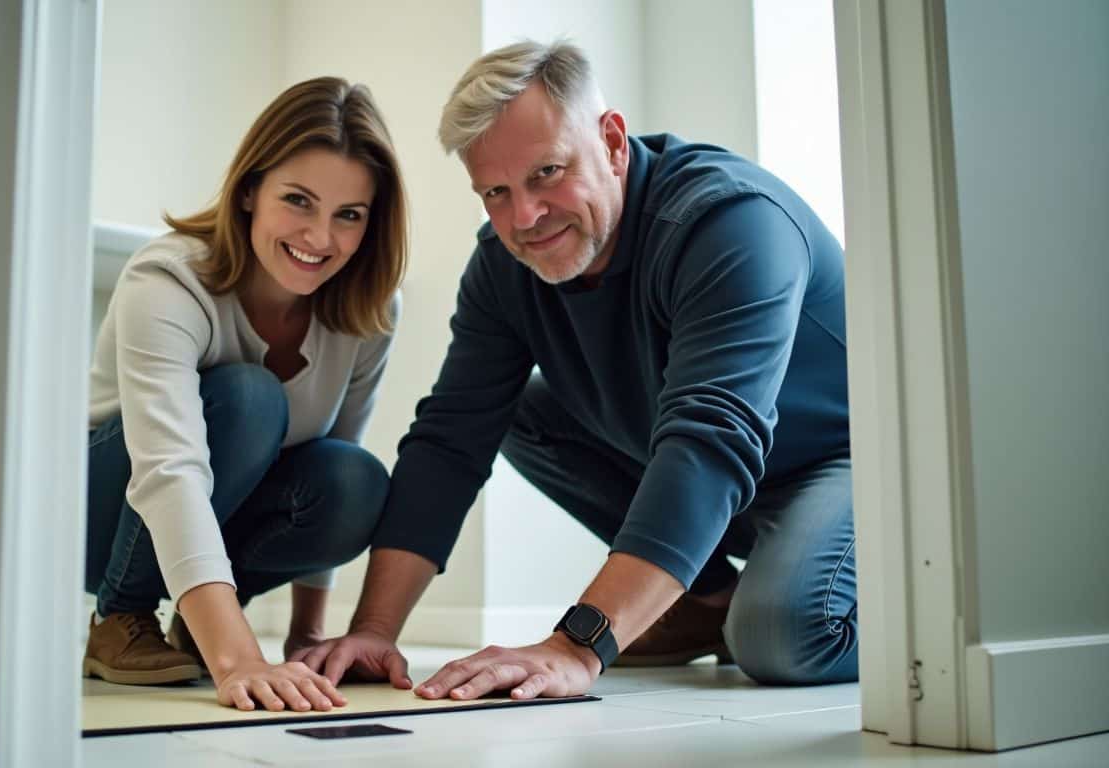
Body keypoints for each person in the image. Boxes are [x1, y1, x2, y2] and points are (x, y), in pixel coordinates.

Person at [292, 40, 856, 699]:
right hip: (725, 481)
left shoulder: (731, 223)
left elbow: (710, 440)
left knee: (783, 635)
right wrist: (375, 629)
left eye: (547, 173)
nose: (524, 217)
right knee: (523, 412)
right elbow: (450, 440)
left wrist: (578, 646)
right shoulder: (504, 267)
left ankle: (901, 601)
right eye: (495, 192)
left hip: (839, 465)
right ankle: (704, 605)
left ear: (613, 141)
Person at [83, 76, 407, 713]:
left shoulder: (371, 310)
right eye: (298, 201)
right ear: (250, 190)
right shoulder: (168, 278)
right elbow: (169, 470)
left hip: (206, 522)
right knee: (251, 400)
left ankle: (196, 624)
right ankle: (121, 617)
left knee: (356, 478)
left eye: (349, 215)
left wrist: (306, 636)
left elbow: (334, 457)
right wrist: (238, 660)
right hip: (102, 509)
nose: (320, 237)